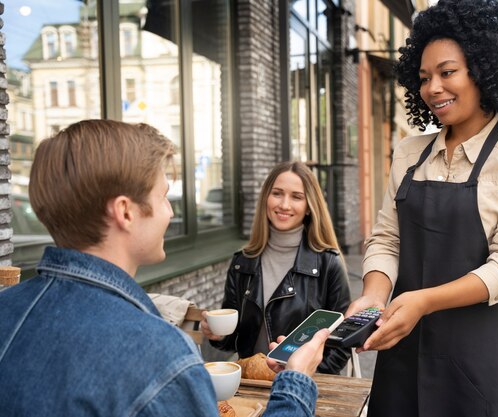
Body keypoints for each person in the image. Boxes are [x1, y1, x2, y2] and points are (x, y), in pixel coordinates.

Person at [0, 119, 329, 417]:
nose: (171, 214)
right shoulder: (160, 355)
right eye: (163, 197)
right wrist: (296, 382)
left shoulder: (6, 311)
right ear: (126, 212)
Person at [346, 1, 498, 416]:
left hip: (481, 368)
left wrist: (423, 301)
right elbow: (387, 239)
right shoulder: (409, 153)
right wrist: (374, 296)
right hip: (402, 359)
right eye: (425, 77)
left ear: (484, 70)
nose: (433, 88)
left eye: (447, 73)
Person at [202, 161, 351, 374]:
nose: (284, 205)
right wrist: (217, 334)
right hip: (251, 385)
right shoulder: (242, 262)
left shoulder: (328, 263)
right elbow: (233, 340)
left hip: (302, 387)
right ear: (266, 198)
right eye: (277, 193)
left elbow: (340, 345)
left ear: (309, 206)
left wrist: (297, 374)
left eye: (296, 197)